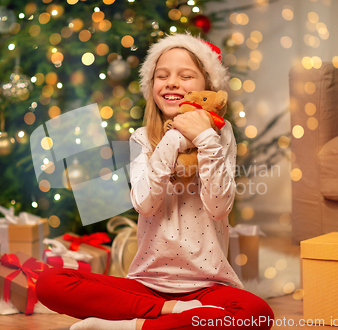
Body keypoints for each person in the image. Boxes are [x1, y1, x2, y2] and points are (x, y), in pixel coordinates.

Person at [36, 33, 274, 330]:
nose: (172, 82)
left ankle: (125, 327)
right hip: (148, 285)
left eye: (186, 76)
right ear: (152, 88)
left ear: (208, 89)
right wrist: (174, 137)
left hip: (207, 286)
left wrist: (203, 137)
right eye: (162, 76)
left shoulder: (219, 136)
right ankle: (171, 313)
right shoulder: (141, 139)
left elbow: (219, 207)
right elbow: (145, 204)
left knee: (257, 313)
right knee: (49, 282)